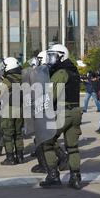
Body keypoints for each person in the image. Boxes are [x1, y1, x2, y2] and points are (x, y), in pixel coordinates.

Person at [40, 44, 83, 190]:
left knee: (47, 142)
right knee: (72, 147)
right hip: (76, 111)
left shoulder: (61, 73)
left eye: (54, 56)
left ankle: (53, 176)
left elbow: (50, 95)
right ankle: (75, 178)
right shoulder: (74, 71)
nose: (51, 59)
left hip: (63, 112)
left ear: (62, 55)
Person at [0, 57, 25, 166]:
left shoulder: (7, 80)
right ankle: (20, 156)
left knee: (8, 134)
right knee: (18, 133)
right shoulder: (23, 78)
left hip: (9, 109)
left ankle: (10, 158)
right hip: (21, 108)